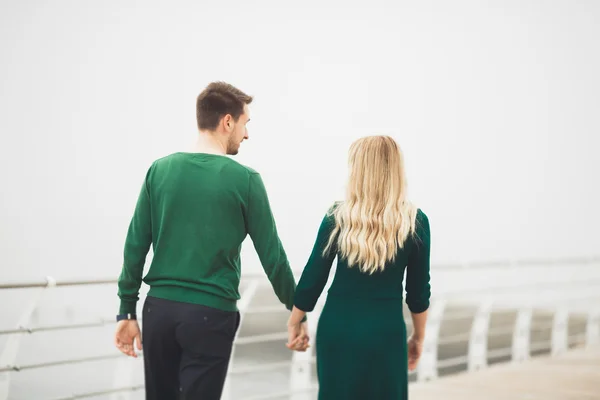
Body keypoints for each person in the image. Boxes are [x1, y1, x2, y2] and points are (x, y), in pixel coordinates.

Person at [113, 81, 308, 400]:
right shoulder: (246, 180)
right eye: (245, 124)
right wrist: (297, 311)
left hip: (159, 311)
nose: (246, 135)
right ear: (227, 121)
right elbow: (273, 257)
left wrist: (126, 311)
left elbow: (135, 246)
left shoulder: (159, 170)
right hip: (210, 313)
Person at [286, 135, 431, 399]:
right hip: (385, 333)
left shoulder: (337, 216)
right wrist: (418, 338)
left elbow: (313, 277)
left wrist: (295, 321)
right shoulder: (415, 222)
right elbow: (418, 294)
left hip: (338, 330)